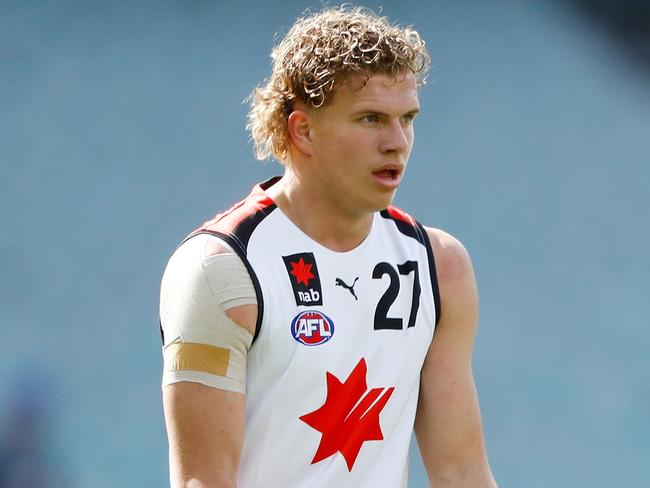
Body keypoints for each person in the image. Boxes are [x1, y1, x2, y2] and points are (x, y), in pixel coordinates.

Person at [160, 5, 497, 487]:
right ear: (304, 131)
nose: (397, 142)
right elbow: (202, 481)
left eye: (408, 118)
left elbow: (462, 474)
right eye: (371, 119)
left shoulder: (439, 267)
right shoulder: (221, 271)